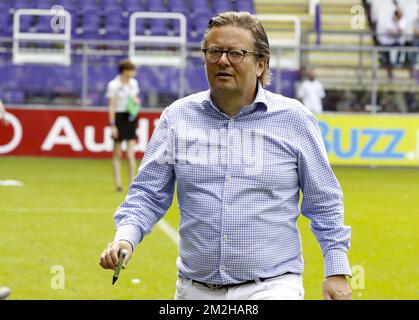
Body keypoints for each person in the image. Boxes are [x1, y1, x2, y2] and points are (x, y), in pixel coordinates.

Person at [99, 12, 352, 300]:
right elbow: (147, 193)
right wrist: (125, 238)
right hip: (195, 289)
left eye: (235, 53)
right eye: (214, 51)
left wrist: (336, 270)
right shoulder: (176, 118)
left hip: (272, 286)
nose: (222, 60)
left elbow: (324, 200)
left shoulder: (295, 120)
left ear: (261, 64)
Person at [106, 59, 141, 192]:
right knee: (117, 152)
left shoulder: (134, 84)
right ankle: (118, 184)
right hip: (119, 117)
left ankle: (132, 183)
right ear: (125, 71)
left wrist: (136, 101)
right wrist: (113, 124)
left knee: (130, 153)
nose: (134, 73)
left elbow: (136, 99)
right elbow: (111, 105)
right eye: (132, 70)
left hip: (131, 116)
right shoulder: (113, 85)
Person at [379, 8, 407, 79]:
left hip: (395, 42)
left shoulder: (402, 20)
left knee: (401, 47)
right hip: (386, 42)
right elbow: (389, 30)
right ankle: (389, 74)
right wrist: (396, 32)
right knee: (387, 60)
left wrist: (395, 30)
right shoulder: (389, 19)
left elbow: (401, 30)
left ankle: (397, 63)